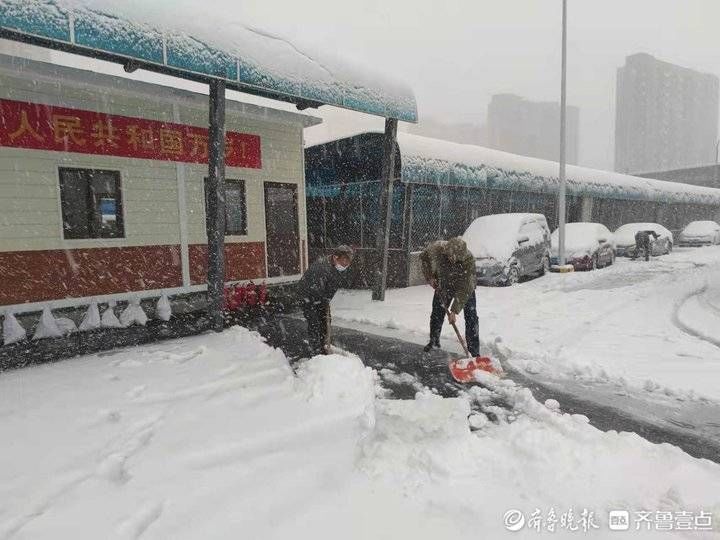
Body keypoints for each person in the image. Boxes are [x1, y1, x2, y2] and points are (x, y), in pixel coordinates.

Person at [420, 237, 479, 356]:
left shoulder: (469, 259)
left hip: (465, 288)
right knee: (437, 312)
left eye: (457, 258)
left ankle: (474, 351)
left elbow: (465, 287)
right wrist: (430, 276)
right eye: (451, 257)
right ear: (447, 252)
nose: (453, 260)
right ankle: (434, 341)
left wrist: (454, 311)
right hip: (444, 284)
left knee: (471, 317)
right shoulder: (438, 248)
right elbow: (424, 257)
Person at [296, 245, 354, 356]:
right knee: (314, 322)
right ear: (336, 257)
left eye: (349, 261)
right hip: (308, 297)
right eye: (345, 260)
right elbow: (316, 289)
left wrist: (326, 300)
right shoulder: (321, 268)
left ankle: (323, 346)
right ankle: (316, 351)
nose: (347, 264)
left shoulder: (336, 267)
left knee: (325, 321)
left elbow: (331, 286)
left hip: (321, 297)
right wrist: (324, 301)